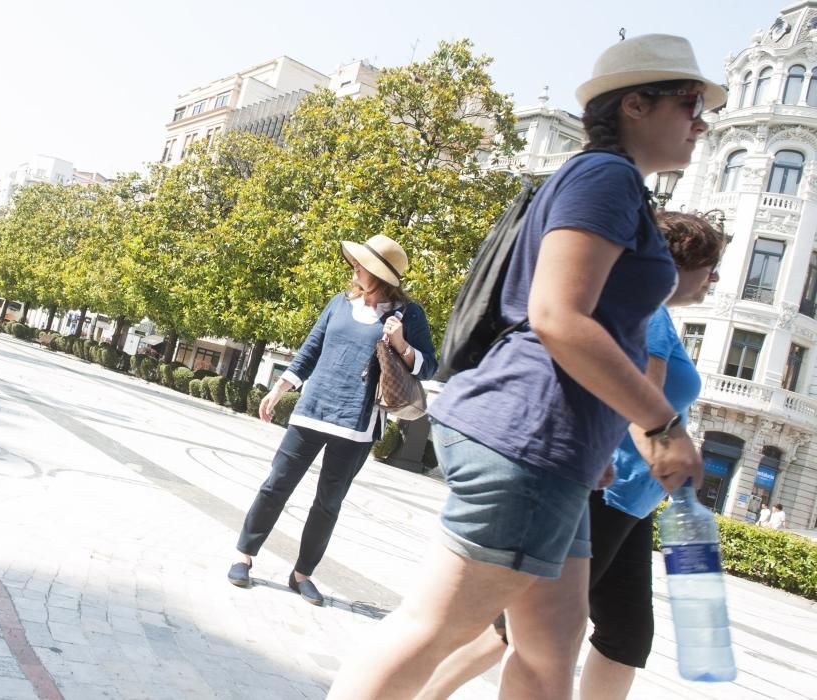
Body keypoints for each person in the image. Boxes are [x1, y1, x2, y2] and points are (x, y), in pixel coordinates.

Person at [327, 34, 723, 700]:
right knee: (433, 628)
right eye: (690, 103)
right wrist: (660, 425)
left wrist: (600, 436)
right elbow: (557, 317)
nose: (701, 121)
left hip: (552, 445)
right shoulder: (607, 177)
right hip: (529, 438)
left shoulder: (608, 182)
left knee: (551, 646)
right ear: (635, 103)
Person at [416, 212, 724, 700]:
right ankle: (424, 693)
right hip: (606, 493)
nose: (715, 280)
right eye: (710, 267)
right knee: (519, 630)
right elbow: (642, 407)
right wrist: (672, 458)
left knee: (623, 638)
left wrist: (677, 449)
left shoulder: (659, 319)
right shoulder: (655, 319)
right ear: (676, 264)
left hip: (632, 503)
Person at [228, 234, 437, 606]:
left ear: (381, 275)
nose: (354, 267)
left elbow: (428, 366)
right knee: (276, 484)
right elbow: (311, 349)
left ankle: (302, 574)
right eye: (356, 262)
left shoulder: (408, 314)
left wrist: (402, 344)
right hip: (312, 411)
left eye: (362, 265)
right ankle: (245, 554)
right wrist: (279, 390)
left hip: (357, 423)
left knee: (329, 502)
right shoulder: (340, 303)